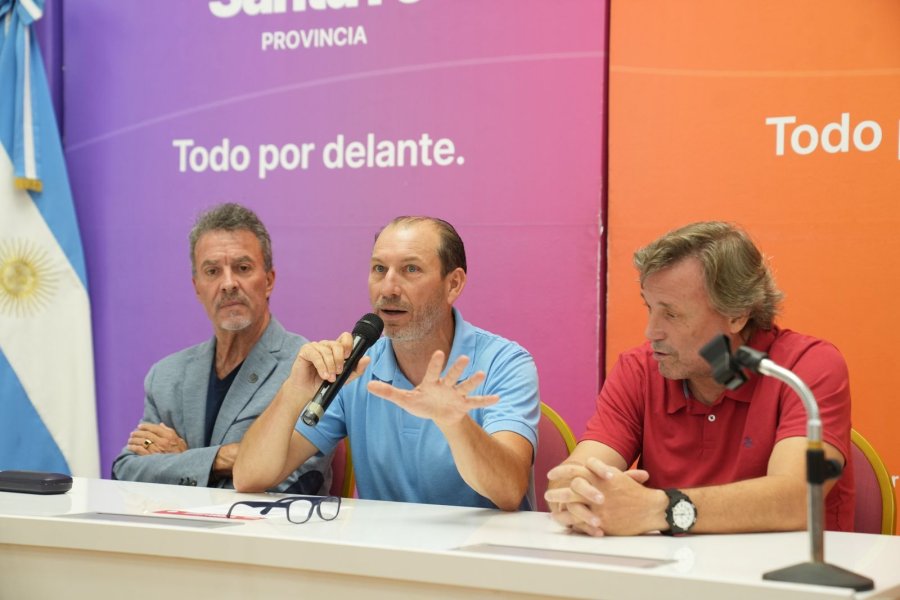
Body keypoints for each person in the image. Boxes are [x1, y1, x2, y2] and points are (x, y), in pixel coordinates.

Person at [546, 221, 854, 535]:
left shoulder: (803, 368)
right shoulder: (639, 369)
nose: (651, 332)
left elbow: (796, 500)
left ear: (737, 314)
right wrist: (577, 496)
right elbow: (570, 478)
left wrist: (658, 508)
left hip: (788, 575)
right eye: (649, 307)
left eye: (672, 313)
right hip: (675, 574)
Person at [234, 216, 540, 510]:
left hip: (479, 558)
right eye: (379, 269)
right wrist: (293, 392)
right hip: (379, 558)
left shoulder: (505, 363)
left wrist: (454, 422)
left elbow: (509, 492)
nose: (388, 289)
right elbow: (249, 477)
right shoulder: (356, 365)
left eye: (411, 269)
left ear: (454, 284)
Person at [112, 203, 330, 493]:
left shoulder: (306, 369)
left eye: (242, 268)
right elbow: (127, 471)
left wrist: (184, 461)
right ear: (197, 287)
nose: (228, 284)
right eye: (212, 271)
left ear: (269, 281)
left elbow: (291, 483)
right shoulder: (166, 377)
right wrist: (220, 459)